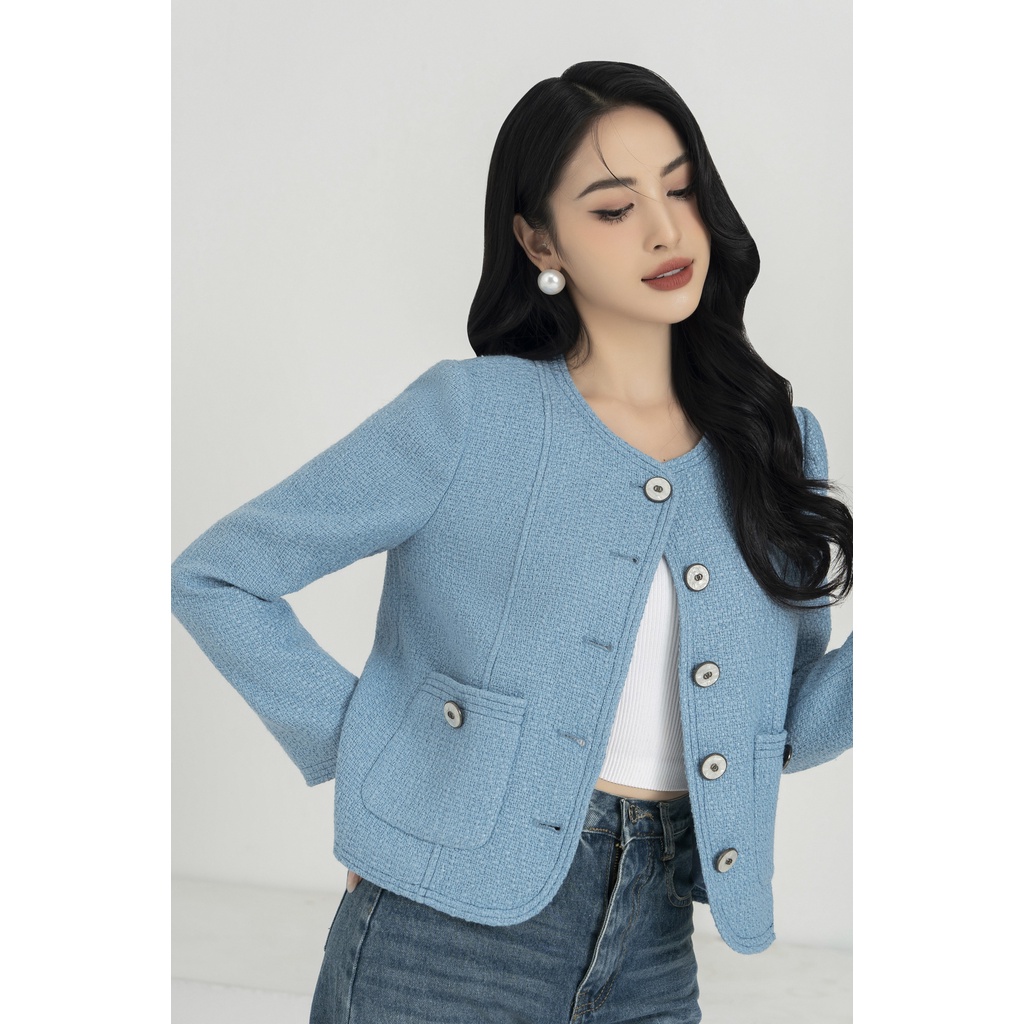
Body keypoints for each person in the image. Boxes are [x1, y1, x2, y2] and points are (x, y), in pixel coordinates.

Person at [172, 60, 853, 1024]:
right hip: (442, 938)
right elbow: (217, 577)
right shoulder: (472, 416)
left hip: (657, 940)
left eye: (681, 190)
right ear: (540, 240)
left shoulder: (775, 441)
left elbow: (780, 724)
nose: (665, 231)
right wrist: (374, 760)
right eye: (613, 208)